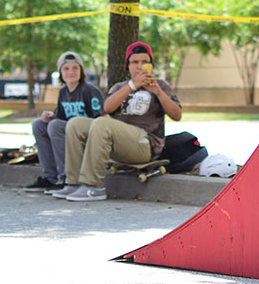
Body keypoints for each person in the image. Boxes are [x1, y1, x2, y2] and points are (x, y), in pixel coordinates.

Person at [54, 41, 181, 202]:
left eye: (145, 62)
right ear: (127, 66)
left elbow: (177, 115)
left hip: (145, 145)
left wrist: (158, 92)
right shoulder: (121, 87)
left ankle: (94, 187)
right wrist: (132, 85)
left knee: (102, 123)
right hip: (120, 143)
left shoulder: (161, 85)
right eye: (135, 62)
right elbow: (107, 107)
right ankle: (73, 183)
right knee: (75, 124)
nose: (140, 66)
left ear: (151, 65)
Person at [25, 51, 105, 191]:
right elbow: (61, 118)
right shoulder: (63, 92)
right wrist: (50, 116)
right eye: (66, 68)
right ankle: (51, 178)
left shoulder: (90, 90)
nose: (71, 72)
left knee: (55, 126)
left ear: (81, 70)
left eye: (75, 68)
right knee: (38, 124)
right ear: (60, 72)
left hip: (87, 136)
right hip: (68, 133)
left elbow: (101, 120)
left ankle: (67, 178)